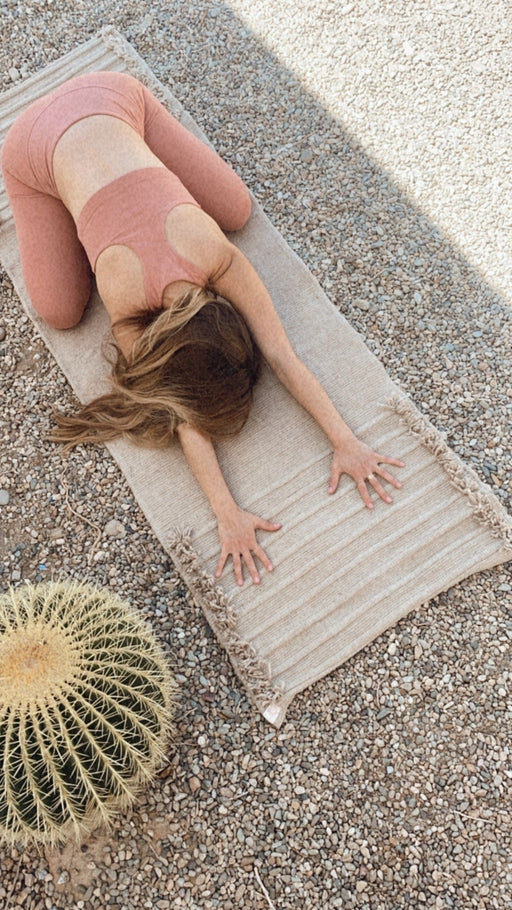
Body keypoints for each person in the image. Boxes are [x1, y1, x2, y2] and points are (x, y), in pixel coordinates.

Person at [1, 71, 404, 586]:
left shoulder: (216, 253)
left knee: (236, 210)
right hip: (33, 144)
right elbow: (180, 408)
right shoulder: (125, 296)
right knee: (60, 311)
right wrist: (224, 510)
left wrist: (347, 440)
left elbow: (281, 354)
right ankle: (70, 186)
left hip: (111, 98)